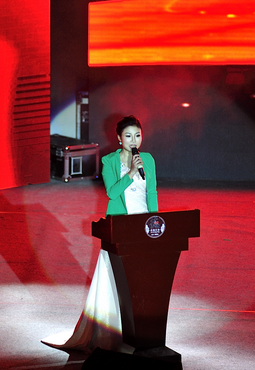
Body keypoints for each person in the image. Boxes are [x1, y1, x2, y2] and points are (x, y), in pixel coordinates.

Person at [42, 115, 158, 353]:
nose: (134, 140)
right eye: (128, 136)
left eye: (137, 135)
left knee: (140, 281)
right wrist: (131, 172)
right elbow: (112, 193)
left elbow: (152, 192)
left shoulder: (148, 159)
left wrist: (155, 222)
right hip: (120, 226)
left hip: (142, 226)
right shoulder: (109, 161)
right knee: (116, 279)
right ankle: (111, 333)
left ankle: (138, 332)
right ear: (119, 138)